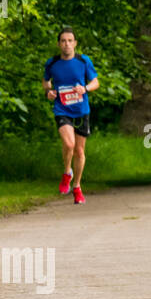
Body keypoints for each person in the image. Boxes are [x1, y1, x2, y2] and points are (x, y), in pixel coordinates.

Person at [42, 27, 99, 205]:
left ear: (75, 43)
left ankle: (77, 186)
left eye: (70, 40)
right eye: (63, 41)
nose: (66, 44)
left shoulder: (83, 61)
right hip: (62, 109)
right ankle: (67, 172)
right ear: (59, 44)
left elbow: (95, 82)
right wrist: (49, 93)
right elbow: (46, 83)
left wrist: (85, 89)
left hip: (81, 110)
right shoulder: (52, 63)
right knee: (69, 144)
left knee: (79, 151)